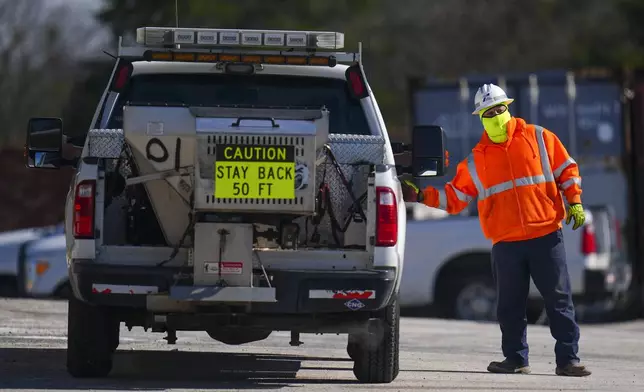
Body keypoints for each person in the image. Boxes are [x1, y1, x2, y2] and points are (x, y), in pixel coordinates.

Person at [401, 83, 591, 377]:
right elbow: (455, 198)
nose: (496, 115)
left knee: (558, 300)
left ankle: (569, 360)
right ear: (481, 117)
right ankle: (516, 359)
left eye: (499, 109)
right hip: (507, 243)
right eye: (489, 112)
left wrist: (574, 202)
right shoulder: (477, 160)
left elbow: (567, 170)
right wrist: (421, 196)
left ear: (509, 108)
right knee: (509, 306)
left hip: (545, 236)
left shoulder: (539, 137)